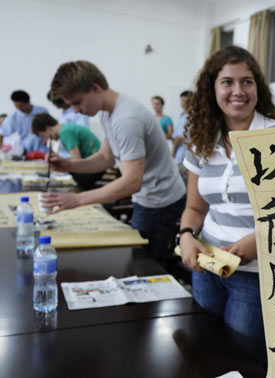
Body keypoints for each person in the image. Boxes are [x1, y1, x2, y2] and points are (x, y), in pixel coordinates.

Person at [178, 46, 275, 367]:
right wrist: (185, 236)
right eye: (227, 82)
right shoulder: (201, 140)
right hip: (207, 266)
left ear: (258, 88)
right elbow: (195, 207)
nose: (238, 91)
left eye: (247, 82)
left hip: (254, 273)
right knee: (206, 348)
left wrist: (258, 240)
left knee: (243, 357)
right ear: (213, 89)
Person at [42, 60, 186, 259]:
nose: (75, 110)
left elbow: (132, 182)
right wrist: (69, 164)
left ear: (95, 88)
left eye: (77, 102)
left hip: (160, 201)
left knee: (144, 263)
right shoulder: (107, 113)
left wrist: (78, 199)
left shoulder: (126, 119)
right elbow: (105, 158)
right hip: (149, 196)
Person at [31, 113, 104, 190]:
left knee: (67, 184)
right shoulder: (65, 128)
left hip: (95, 166)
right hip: (95, 164)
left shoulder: (65, 132)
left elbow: (76, 161)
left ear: (48, 129)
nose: (44, 140)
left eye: (43, 136)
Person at [172, 90, 192, 165]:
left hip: (185, 156)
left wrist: (173, 152)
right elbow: (175, 136)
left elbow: (180, 138)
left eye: (184, 101)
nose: (182, 103)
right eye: (182, 101)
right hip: (179, 155)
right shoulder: (182, 115)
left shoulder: (191, 117)